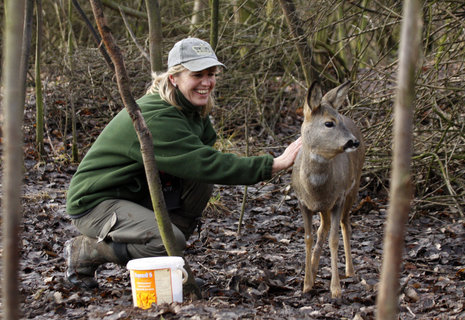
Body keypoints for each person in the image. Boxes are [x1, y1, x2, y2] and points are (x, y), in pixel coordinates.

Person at [65, 37, 302, 289]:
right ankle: (88, 249)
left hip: (132, 193)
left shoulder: (188, 108)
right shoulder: (157, 117)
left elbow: (201, 157)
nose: (207, 82)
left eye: (211, 74)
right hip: (95, 203)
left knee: (198, 184)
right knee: (167, 239)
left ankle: (169, 261)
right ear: (173, 78)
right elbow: (205, 162)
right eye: (197, 74)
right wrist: (272, 165)